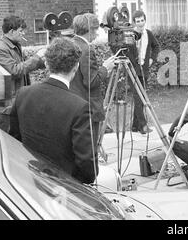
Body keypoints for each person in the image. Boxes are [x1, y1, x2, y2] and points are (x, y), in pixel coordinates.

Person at [9, 38, 98, 184]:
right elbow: (87, 165)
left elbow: (14, 139)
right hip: (65, 188)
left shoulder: (23, 94)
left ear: (46, 64)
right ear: (76, 67)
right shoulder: (79, 107)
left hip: (29, 180)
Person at [0, 16, 46, 132]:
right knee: (9, 145)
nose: (23, 33)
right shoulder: (0, 49)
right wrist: (37, 57)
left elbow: (24, 66)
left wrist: (44, 62)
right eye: (21, 31)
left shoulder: (13, 45)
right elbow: (15, 71)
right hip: (6, 109)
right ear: (11, 31)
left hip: (14, 105)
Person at [70, 13, 115, 144]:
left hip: (75, 103)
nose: (96, 35)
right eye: (95, 30)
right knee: (90, 148)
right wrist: (106, 68)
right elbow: (91, 81)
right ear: (89, 30)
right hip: (88, 107)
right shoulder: (86, 49)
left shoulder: (71, 43)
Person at [127, 10, 160, 134]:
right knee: (138, 97)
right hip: (132, 71)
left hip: (144, 71)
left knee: (140, 98)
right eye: (137, 21)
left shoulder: (148, 34)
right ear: (134, 22)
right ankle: (143, 125)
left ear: (145, 20)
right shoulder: (130, 35)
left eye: (142, 20)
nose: (140, 23)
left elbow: (156, 46)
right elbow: (127, 51)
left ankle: (135, 126)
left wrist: (152, 58)